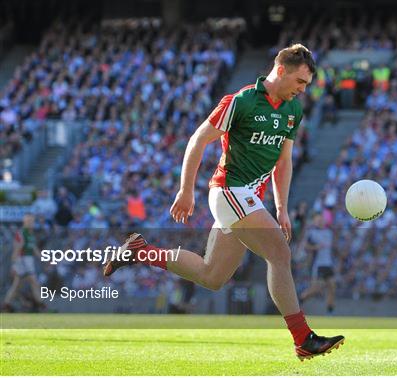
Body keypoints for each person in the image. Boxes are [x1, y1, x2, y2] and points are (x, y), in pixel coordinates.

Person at [104, 44, 344, 360]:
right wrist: (185, 190)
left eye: (306, 85)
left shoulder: (292, 111)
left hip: (248, 199)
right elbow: (198, 140)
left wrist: (282, 207)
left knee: (212, 275)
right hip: (229, 191)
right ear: (281, 70)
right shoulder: (240, 102)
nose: (302, 90)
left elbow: (283, 162)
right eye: (300, 82)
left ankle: (140, 251)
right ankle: (303, 338)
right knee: (279, 254)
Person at [2, 214, 45, 312]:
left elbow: (34, 248)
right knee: (34, 281)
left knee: (17, 284)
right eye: (30, 221)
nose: (32, 223)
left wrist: (43, 257)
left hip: (28, 260)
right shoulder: (21, 233)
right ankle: (41, 304)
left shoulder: (30, 234)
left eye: (33, 221)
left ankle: (6, 304)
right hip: (22, 260)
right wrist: (14, 264)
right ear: (25, 221)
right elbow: (17, 248)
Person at [299, 214, 336, 314]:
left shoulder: (329, 232)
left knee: (332, 286)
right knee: (317, 288)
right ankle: (301, 298)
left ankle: (330, 310)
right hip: (318, 264)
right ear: (314, 221)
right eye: (318, 220)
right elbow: (305, 246)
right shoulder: (312, 233)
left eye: (321, 220)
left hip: (328, 264)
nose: (320, 221)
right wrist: (315, 247)